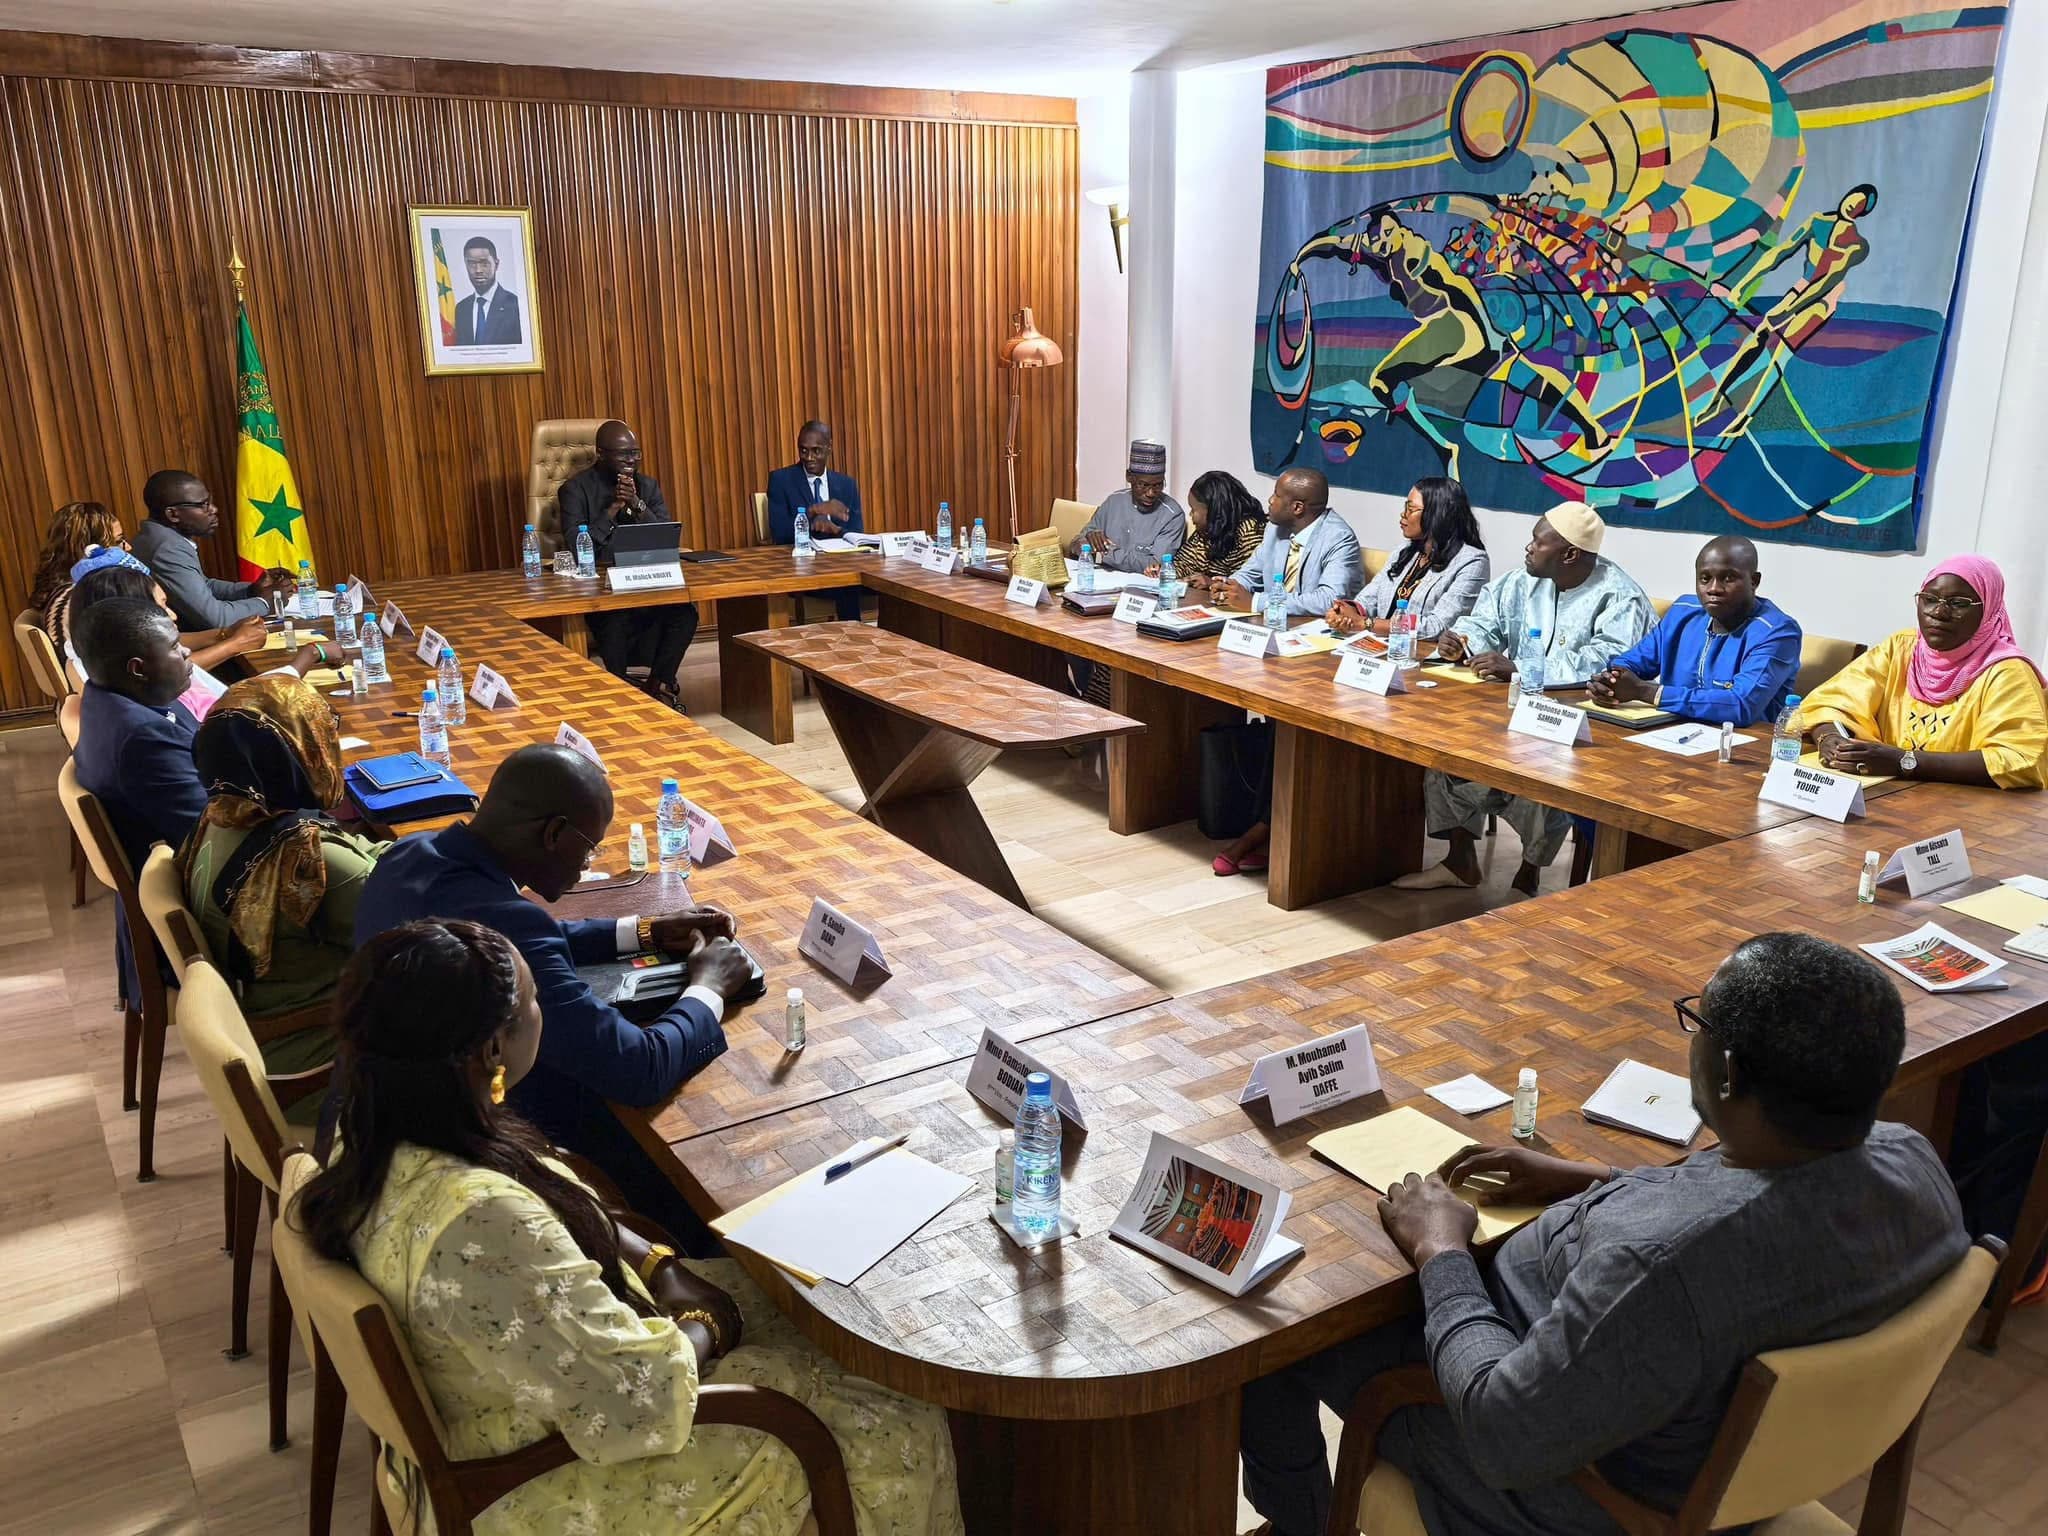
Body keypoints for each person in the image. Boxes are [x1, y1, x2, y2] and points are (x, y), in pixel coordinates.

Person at [1238, 932, 1967, 1536]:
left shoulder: (1659, 1272)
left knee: (1283, 1333)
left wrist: (1441, 1251)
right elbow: (1728, 1199)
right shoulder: (1911, 1161)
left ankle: (1301, 1524)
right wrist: (1586, 1177)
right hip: (1722, 1452)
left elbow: (1502, 1433)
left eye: (1697, 1021)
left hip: (1575, 1491)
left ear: (1729, 1072)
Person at [291, 918, 966, 1536]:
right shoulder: (478, 1223)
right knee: (897, 1416)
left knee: (825, 1312)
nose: (541, 1013)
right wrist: (706, 1323)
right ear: (494, 1046)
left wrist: (659, 1265)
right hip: (548, 1477)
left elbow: (550, 1200)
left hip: (514, 1394)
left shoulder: (376, 1128)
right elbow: (638, 1403)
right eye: (533, 1002)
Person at [355, 744, 757, 1251]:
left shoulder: (410, 855)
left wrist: (645, 930)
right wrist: (710, 988)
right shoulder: (507, 921)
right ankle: (705, 1253)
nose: (588, 862)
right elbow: (637, 1070)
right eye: (589, 848)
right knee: (671, 1146)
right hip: (488, 1127)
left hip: (385, 1106)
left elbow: (516, 935)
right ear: (554, 834)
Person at [1394, 502, 1654, 897]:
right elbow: (1483, 624)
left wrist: (1520, 667)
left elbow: (1607, 662)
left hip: (1575, 724)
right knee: (1445, 751)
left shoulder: (1620, 597)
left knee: (1550, 778)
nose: (1528, 548)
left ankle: (1528, 874)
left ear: (1569, 554)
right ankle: (1460, 861)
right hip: (1506, 710)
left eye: (1537, 542)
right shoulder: (1520, 582)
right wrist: (1461, 644)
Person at [176, 675, 385, 1115]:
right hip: (319, 1056)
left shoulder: (218, 816)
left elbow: (364, 864)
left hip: (263, 1017)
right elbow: (419, 923)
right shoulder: (310, 860)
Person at [1801, 555, 2047, 789]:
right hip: (1884, 797)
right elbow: (1830, 703)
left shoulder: (2007, 672)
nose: (1938, 613)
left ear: (1989, 610)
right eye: (1929, 599)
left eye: (1958, 603)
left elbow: (2021, 759)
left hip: (1967, 812)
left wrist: (1906, 762)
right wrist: (1830, 738)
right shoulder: (1902, 648)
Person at [71, 595, 208, 1009]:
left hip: (170, 878)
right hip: (196, 915)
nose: (186, 651)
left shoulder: (107, 697)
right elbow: (216, 832)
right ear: (138, 668)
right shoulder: (141, 739)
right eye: (173, 646)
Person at [555, 419, 699, 711]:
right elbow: (578, 546)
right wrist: (613, 509)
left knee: (685, 613)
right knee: (614, 619)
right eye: (624, 455)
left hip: (644, 578)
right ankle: (620, 689)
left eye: (636, 453)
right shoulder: (575, 489)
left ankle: (655, 685)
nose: (631, 461)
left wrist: (636, 502)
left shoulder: (647, 485)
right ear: (601, 453)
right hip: (602, 587)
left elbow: (664, 534)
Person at [1590, 536, 1802, 727]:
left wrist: (1646, 692)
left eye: (1728, 578)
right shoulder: (1683, 612)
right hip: (1668, 734)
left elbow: (1740, 705)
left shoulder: (1778, 632)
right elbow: (1631, 662)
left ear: (1754, 581)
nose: (1714, 588)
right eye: (1705, 578)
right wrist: (1610, 683)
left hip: (1743, 750)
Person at [1327, 477, 1489, 640]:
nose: (1403, 514)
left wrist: (1368, 623)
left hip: (1422, 653)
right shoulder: (1404, 551)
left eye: (1411, 509)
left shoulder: (1472, 562)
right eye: (1405, 507)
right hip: (1381, 645)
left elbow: (1437, 626)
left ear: (1438, 515)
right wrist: (1346, 611)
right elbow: (1370, 597)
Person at [130, 470, 292, 631]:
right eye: (203, 505)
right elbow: (215, 619)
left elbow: (203, 585)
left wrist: (250, 590)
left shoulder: (158, 537)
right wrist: (265, 602)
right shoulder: (168, 549)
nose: (213, 509)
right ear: (173, 514)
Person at [1212, 467, 1365, 619]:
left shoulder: (1339, 538)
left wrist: (1257, 602)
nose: (1270, 500)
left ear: (1297, 507)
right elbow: (1252, 572)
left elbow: (1329, 600)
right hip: (1275, 623)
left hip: (1317, 630)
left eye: (1277, 495)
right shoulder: (1276, 528)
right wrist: (1228, 587)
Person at [766, 420, 865, 622]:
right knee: (847, 588)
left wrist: (835, 529)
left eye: (816, 451)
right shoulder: (781, 480)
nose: (809, 458)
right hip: (803, 570)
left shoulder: (846, 484)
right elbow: (780, 533)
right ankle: (850, 640)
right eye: (803, 451)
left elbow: (857, 531)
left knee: (877, 586)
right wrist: (814, 512)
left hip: (841, 566)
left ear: (829, 447)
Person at [1073, 438, 1186, 575]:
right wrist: (1082, 544)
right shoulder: (1114, 501)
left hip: (1142, 589)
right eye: (1143, 485)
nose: (1151, 493)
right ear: (1129, 477)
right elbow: (1077, 542)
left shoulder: (1173, 515)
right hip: (1101, 580)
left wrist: (1105, 553)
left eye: (1158, 485)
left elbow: (1156, 565)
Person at [31, 499, 127, 641]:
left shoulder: (65, 594)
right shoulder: (77, 602)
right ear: (89, 551)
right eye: (118, 542)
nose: (128, 549)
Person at [453, 235, 523, 346]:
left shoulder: (515, 305)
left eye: (484, 263)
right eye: (472, 264)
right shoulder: (461, 308)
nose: (478, 270)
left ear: (496, 264)